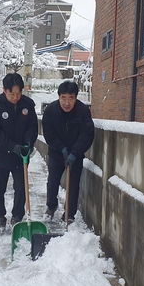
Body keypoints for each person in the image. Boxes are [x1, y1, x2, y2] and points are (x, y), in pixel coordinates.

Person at [0, 73, 38, 228]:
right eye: (12, 94)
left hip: (21, 156)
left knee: (21, 188)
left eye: (18, 93)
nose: (16, 97)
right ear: (4, 90)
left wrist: (28, 143)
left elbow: (32, 126)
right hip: (0, 156)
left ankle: (17, 216)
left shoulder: (27, 105)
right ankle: (0, 216)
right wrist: (11, 146)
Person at [41, 81, 94, 224]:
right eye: (63, 98)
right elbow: (49, 134)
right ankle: (51, 207)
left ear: (76, 98)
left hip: (75, 155)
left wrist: (74, 153)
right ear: (58, 97)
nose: (67, 102)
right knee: (53, 181)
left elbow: (87, 134)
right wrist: (62, 148)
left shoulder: (83, 111)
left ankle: (69, 214)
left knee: (73, 184)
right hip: (56, 153)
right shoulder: (51, 111)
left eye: (71, 98)